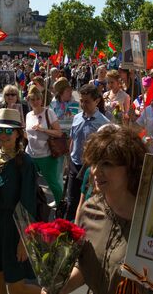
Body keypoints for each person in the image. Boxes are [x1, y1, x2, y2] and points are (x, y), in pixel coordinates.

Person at [59, 126, 151, 294]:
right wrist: (57, 289)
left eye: (107, 164)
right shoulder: (89, 210)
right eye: (95, 163)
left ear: (131, 168)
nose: (95, 171)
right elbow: (86, 267)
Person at [0, 108, 40, 294]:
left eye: (8, 130)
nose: (2, 134)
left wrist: (24, 241)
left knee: (16, 288)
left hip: (15, 227)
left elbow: (28, 204)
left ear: (18, 133)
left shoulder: (26, 163)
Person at [65, 84, 109, 221]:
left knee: (88, 204)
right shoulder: (77, 117)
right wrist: (68, 161)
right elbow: (73, 140)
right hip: (74, 165)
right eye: (81, 101)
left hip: (91, 169)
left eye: (87, 101)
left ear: (96, 101)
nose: (83, 104)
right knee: (71, 202)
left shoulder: (103, 123)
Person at [25, 86, 64, 204]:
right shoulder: (28, 115)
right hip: (30, 155)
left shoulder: (49, 112)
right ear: (28, 100)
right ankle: (34, 203)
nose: (36, 102)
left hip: (46, 155)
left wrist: (43, 130)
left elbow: (59, 133)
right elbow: (28, 135)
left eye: (38, 99)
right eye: (33, 99)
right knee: (29, 182)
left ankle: (61, 204)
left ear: (42, 99)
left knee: (53, 183)